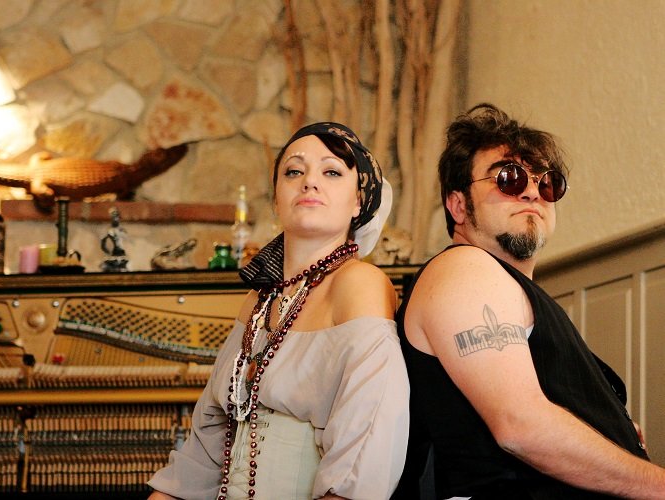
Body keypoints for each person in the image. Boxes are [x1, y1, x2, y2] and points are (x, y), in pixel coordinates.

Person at [394, 103, 665, 499]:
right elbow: (521, 426)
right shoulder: (465, 268)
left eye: (548, 183)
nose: (532, 191)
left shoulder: (508, 286)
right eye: (509, 177)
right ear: (458, 205)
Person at [148, 122, 408, 499]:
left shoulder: (360, 284)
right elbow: (201, 456)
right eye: (294, 171)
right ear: (275, 199)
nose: (309, 182)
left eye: (332, 172)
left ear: (358, 202)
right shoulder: (259, 300)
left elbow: (366, 452)